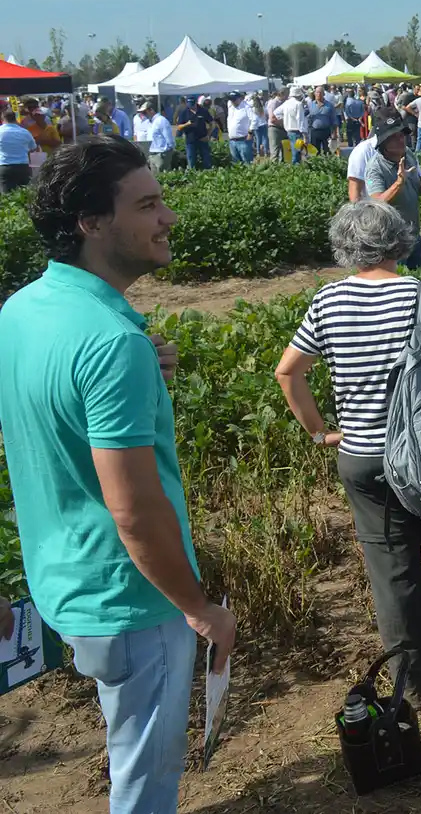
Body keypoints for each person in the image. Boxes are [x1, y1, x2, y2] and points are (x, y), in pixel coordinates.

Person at [0, 136, 236, 813]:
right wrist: (201, 610)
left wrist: (139, 371)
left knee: (124, 732)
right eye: (148, 204)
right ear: (91, 223)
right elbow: (134, 512)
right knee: (146, 781)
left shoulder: (24, 310)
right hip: (130, 600)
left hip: (64, 580)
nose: (169, 218)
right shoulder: (111, 343)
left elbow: (48, 410)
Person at [274, 199, 421, 708]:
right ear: (399, 241)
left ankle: (417, 685)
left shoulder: (327, 302)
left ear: (346, 248)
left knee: (393, 574)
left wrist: (321, 433)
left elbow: (287, 372)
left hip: (363, 459)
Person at [363, 109, 421, 268]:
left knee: (419, 279)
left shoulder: (407, 154)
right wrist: (399, 182)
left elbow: (414, 183)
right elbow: (377, 202)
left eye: (401, 135)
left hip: (413, 233)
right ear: (383, 143)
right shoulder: (375, 168)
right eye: (394, 137)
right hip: (392, 240)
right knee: (397, 280)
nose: (401, 140)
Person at [346, 108, 406, 202]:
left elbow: (418, 179)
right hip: (375, 214)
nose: (399, 138)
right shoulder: (363, 151)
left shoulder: (405, 150)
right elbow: (355, 191)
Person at [0, 109, 38, 192]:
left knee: (7, 197)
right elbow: (33, 147)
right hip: (23, 166)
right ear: (15, 118)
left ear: (2, 118)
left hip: (5, 166)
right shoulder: (25, 132)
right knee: (24, 195)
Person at [134, 99, 177, 173]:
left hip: (161, 155)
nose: (143, 114)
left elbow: (170, 141)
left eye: (144, 112)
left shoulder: (161, 120)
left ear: (151, 110)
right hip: (153, 155)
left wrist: (166, 155)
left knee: (163, 178)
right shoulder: (152, 122)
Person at [175, 95, 217, 170]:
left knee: (206, 160)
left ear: (196, 103)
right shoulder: (184, 112)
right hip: (190, 141)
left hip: (202, 139)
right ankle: (193, 175)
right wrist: (187, 124)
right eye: (189, 105)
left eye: (193, 104)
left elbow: (212, 123)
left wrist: (208, 135)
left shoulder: (203, 111)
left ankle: (208, 175)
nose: (191, 107)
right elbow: (178, 127)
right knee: (191, 161)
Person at [275, 86, 308, 163]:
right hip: (297, 131)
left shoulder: (286, 103)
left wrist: (285, 118)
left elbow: (276, 113)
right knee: (297, 153)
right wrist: (304, 134)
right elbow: (300, 120)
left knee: (294, 151)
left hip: (288, 131)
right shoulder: (298, 104)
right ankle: (295, 170)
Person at [225, 91, 256, 164]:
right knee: (236, 163)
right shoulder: (230, 106)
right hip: (232, 140)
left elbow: (254, 120)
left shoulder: (246, 107)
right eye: (231, 100)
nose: (232, 101)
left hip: (243, 140)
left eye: (234, 99)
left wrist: (250, 132)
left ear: (240, 99)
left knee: (247, 162)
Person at [305, 87, 336, 156]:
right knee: (315, 152)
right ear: (314, 93)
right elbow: (303, 114)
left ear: (324, 94)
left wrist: (334, 133)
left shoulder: (329, 105)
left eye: (320, 92)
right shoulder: (310, 105)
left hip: (326, 131)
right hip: (314, 131)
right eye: (317, 92)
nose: (319, 94)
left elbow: (334, 119)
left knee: (327, 152)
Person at [252, 93, 270, 157]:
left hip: (256, 125)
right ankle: (265, 152)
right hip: (264, 124)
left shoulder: (253, 109)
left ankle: (258, 153)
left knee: (258, 139)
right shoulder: (263, 108)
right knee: (265, 138)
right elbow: (267, 115)